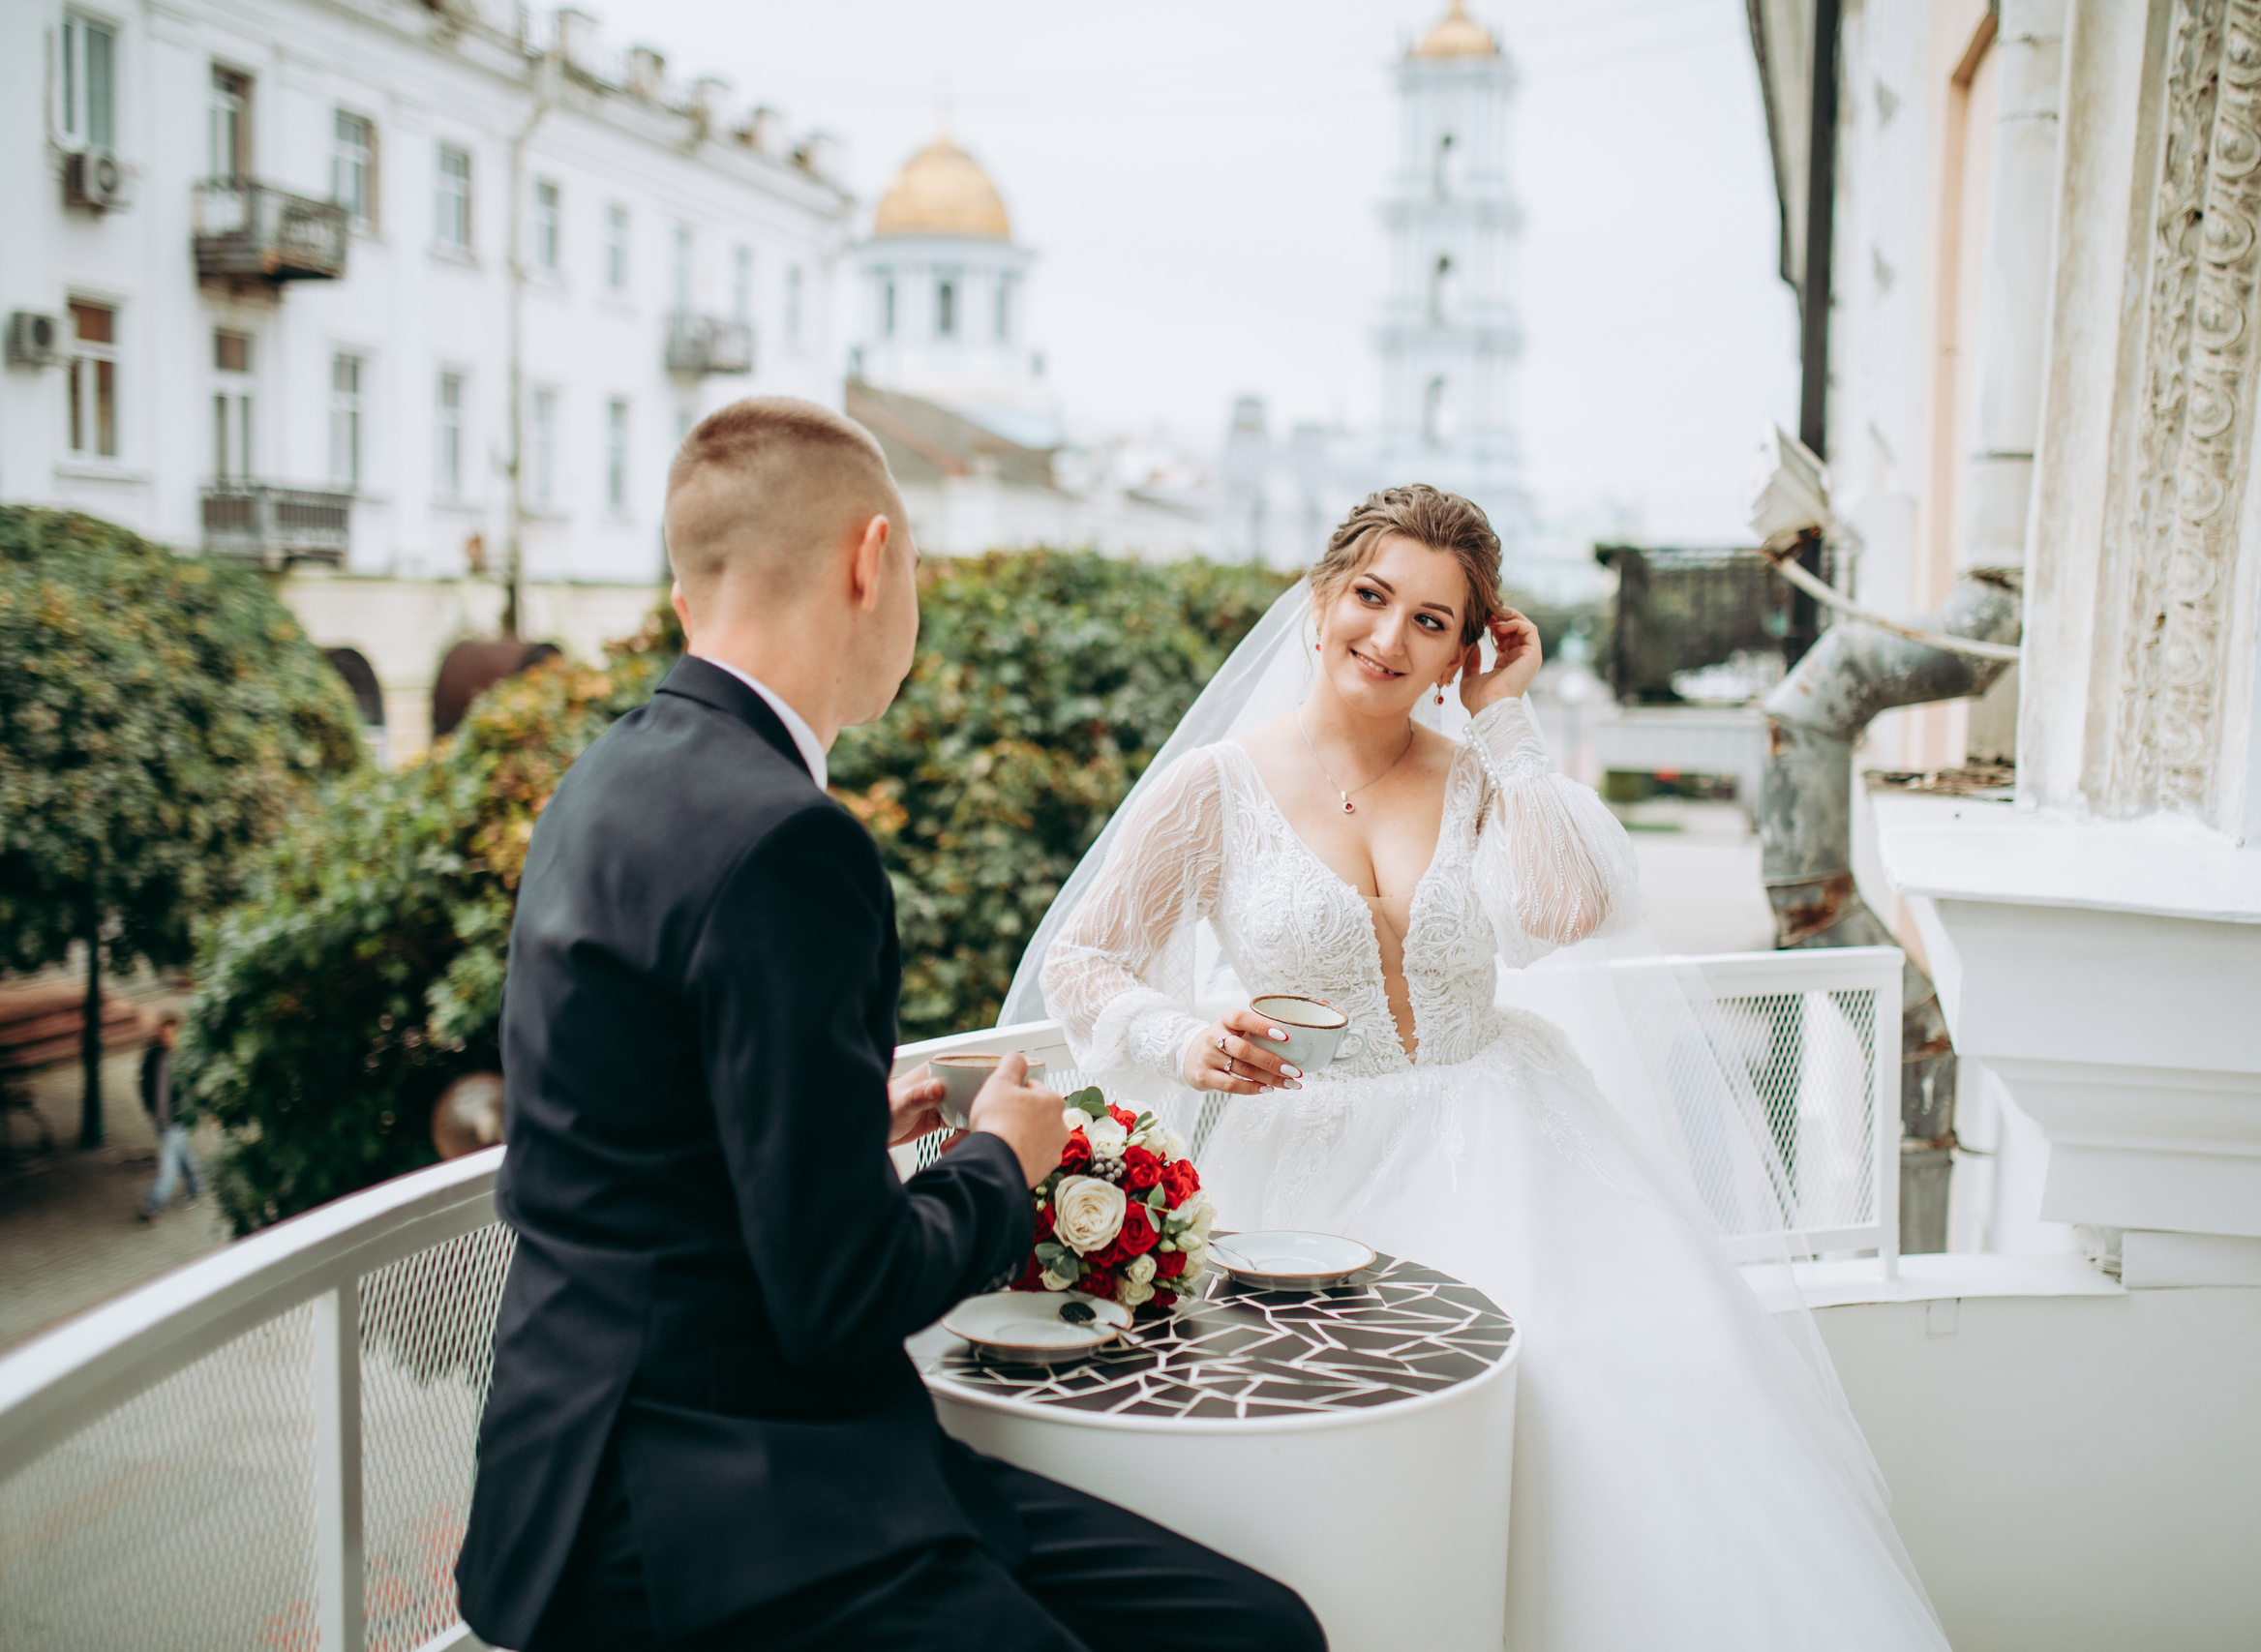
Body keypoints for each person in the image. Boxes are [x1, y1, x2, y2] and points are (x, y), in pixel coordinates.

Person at [455, 398, 1322, 1652]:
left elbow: (637, 1118)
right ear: (873, 560)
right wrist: (1002, 1159)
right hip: (722, 1501)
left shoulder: (603, 778)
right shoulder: (790, 840)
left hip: (578, 1458)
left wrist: (837, 1126)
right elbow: (841, 1293)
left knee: (1249, 1625)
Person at [1025, 485, 1951, 1650]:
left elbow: (1566, 907)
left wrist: (1505, 718)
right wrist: (1183, 1038)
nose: (1388, 637)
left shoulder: (1474, 776)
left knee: (1587, 1383)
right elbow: (1086, 959)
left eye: (1431, 621)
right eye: (1371, 597)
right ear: (1319, 603)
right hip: (1309, 1167)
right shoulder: (1211, 789)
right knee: (1359, 1446)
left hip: (1519, 1142)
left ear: (1465, 647)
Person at [136, 1012, 202, 1221]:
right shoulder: (154, 1053)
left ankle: (153, 1206)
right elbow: (144, 1078)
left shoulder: (188, 1059)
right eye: (163, 1034)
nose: (167, 1038)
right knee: (182, 1153)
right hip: (159, 1118)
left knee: (168, 1166)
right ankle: (196, 1187)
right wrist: (149, 1106)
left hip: (177, 1120)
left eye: (171, 1035)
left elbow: (196, 1089)